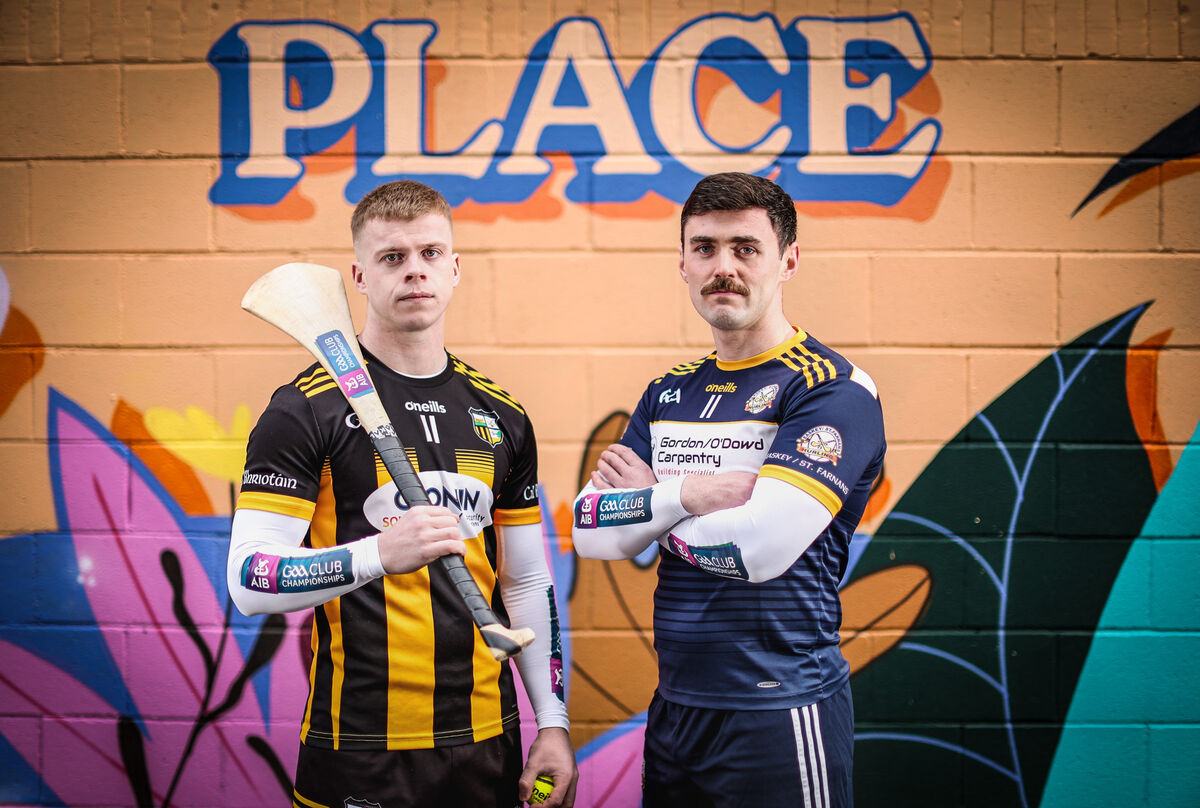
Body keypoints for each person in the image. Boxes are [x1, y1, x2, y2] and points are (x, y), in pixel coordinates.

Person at [228, 180, 576, 808]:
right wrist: (379, 555)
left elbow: (525, 582)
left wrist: (553, 724)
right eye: (392, 258)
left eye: (430, 254)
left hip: (489, 741)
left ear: (455, 266)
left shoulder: (500, 414)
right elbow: (251, 582)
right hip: (358, 746)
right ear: (359, 276)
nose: (415, 271)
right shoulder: (304, 410)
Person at [572, 172, 885, 807]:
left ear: (788, 261)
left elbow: (757, 553)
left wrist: (652, 503)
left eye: (746, 248)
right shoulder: (668, 392)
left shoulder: (834, 390)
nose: (724, 268)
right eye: (706, 248)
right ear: (682, 263)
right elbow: (590, 534)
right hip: (676, 708)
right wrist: (684, 498)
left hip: (781, 707)